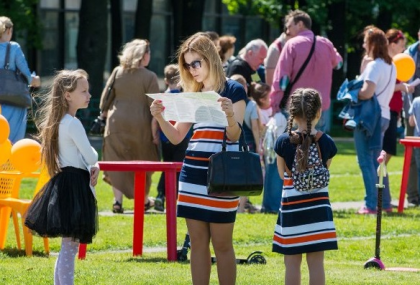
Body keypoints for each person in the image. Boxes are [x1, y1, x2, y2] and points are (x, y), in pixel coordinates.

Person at [150, 32, 246, 285]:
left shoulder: (234, 90)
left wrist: (229, 116)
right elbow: (177, 136)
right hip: (192, 172)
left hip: (222, 173)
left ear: (210, 58)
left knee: (223, 244)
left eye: (196, 63)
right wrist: (160, 117)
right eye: (187, 65)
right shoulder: (192, 92)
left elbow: (235, 135)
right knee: (197, 244)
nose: (192, 70)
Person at [24, 69, 99, 285]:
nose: (88, 95)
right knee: (70, 246)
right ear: (67, 95)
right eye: (83, 91)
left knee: (68, 245)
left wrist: (94, 165)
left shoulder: (59, 122)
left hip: (66, 181)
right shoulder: (72, 124)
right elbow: (91, 154)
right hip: (74, 184)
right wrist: (96, 163)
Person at [273, 88, 337, 285]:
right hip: (318, 212)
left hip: (293, 211)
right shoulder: (326, 142)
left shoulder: (283, 142)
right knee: (316, 262)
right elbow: (324, 172)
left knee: (291, 262)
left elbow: (281, 174)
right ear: (318, 112)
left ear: (291, 113)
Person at [99, 39, 160, 213]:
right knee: (143, 162)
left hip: (116, 123)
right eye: (149, 52)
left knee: (116, 161)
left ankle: (117, 202)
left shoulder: (118, 72)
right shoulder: (150, 77)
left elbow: (105, 99)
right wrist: (155, 133)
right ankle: (142, 201)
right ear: (144, 55)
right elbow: (155, 108)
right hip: (141, 125)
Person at [270, 10, 342, 132]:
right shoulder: (326, 43)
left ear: (300, 24)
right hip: (320, 108)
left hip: (296, 108)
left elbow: (282, 81)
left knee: (295, 148)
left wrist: (275, 105)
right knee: (317, 147)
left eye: (289, 27)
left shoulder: (291, 44)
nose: (287, 31)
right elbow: (339, 64)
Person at [355, 27, 397, 214]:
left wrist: (352, 92)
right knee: (378, 162)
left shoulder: (375, 65)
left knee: (366, 161)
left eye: (365, 41)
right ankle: (385, 202)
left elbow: (367, 93)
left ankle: (372, 204)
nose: (363, 45)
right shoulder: (391, 65)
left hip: (369, 118)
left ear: (373, 44)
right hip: (384, 116)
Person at [382, 29, 415, 205]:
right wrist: (403, 87)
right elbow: (383, 87)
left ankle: (383, 195)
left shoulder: (396, 63)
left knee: (388, 153)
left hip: (393, 112)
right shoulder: (384, 62)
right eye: (401, 45)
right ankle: (381, 196)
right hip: (384, 111)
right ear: (392, 44)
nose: (404, 49)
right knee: (382, 155)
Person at [153, 64, 191, 211]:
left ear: (166, 81)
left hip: (165, 137)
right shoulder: (184, 98)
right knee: (177, 168)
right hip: (182, 137)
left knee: (166, 166)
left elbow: (154, 120)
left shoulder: (162, 98)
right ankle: (174, 198)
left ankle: (160, 195)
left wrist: (155, 134)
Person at [0, 16, 41, 143]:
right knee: (11, 138)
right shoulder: (13, 47)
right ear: (8, 31)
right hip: (13, 101)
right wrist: (35, 80)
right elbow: (26, 74)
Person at [230, 74, 261, 213]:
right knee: (245, 177)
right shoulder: (251, 104)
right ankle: (241, 208)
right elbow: (255, 127)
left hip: (232, 142)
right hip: (247, 143)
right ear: (245, 87)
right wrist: (259, 145)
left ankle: (232, 204)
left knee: (233, 174)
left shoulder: (227, 103)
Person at [403, 27, 420, 206]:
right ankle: (413, 196)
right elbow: (405, 85)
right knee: (412, 155)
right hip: (413, 110)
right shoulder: (410, 53)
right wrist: (409, 112)